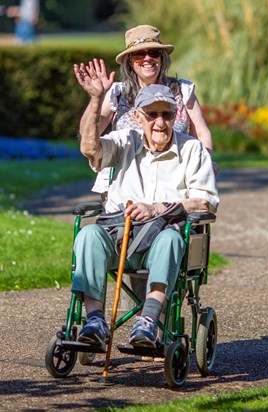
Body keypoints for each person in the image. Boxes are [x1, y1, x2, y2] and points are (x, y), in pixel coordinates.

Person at [71, 79, 219, 350]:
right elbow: (90, 149)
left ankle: (148, 321)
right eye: (152, 114)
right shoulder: (124, 140)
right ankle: (94, 321)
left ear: (176, 116)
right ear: (137, 117)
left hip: (162, 239)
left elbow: (206, 202)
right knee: (89, 234)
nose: (160, 122)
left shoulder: (191, 150)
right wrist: (95, 100)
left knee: (171, 240)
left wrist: (160, 208)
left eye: (167, 114)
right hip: (120, 235)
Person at [74, 24, 217, 198]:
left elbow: (202, 133)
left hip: (172, 180)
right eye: (139, 54)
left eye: (154, 53)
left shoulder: (181, 90)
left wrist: (205, 162)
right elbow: (87, 136)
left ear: (162, 58)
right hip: (125, 181)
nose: (148, 58)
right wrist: (97, 98)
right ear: (129, 61)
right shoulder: (118, 93)